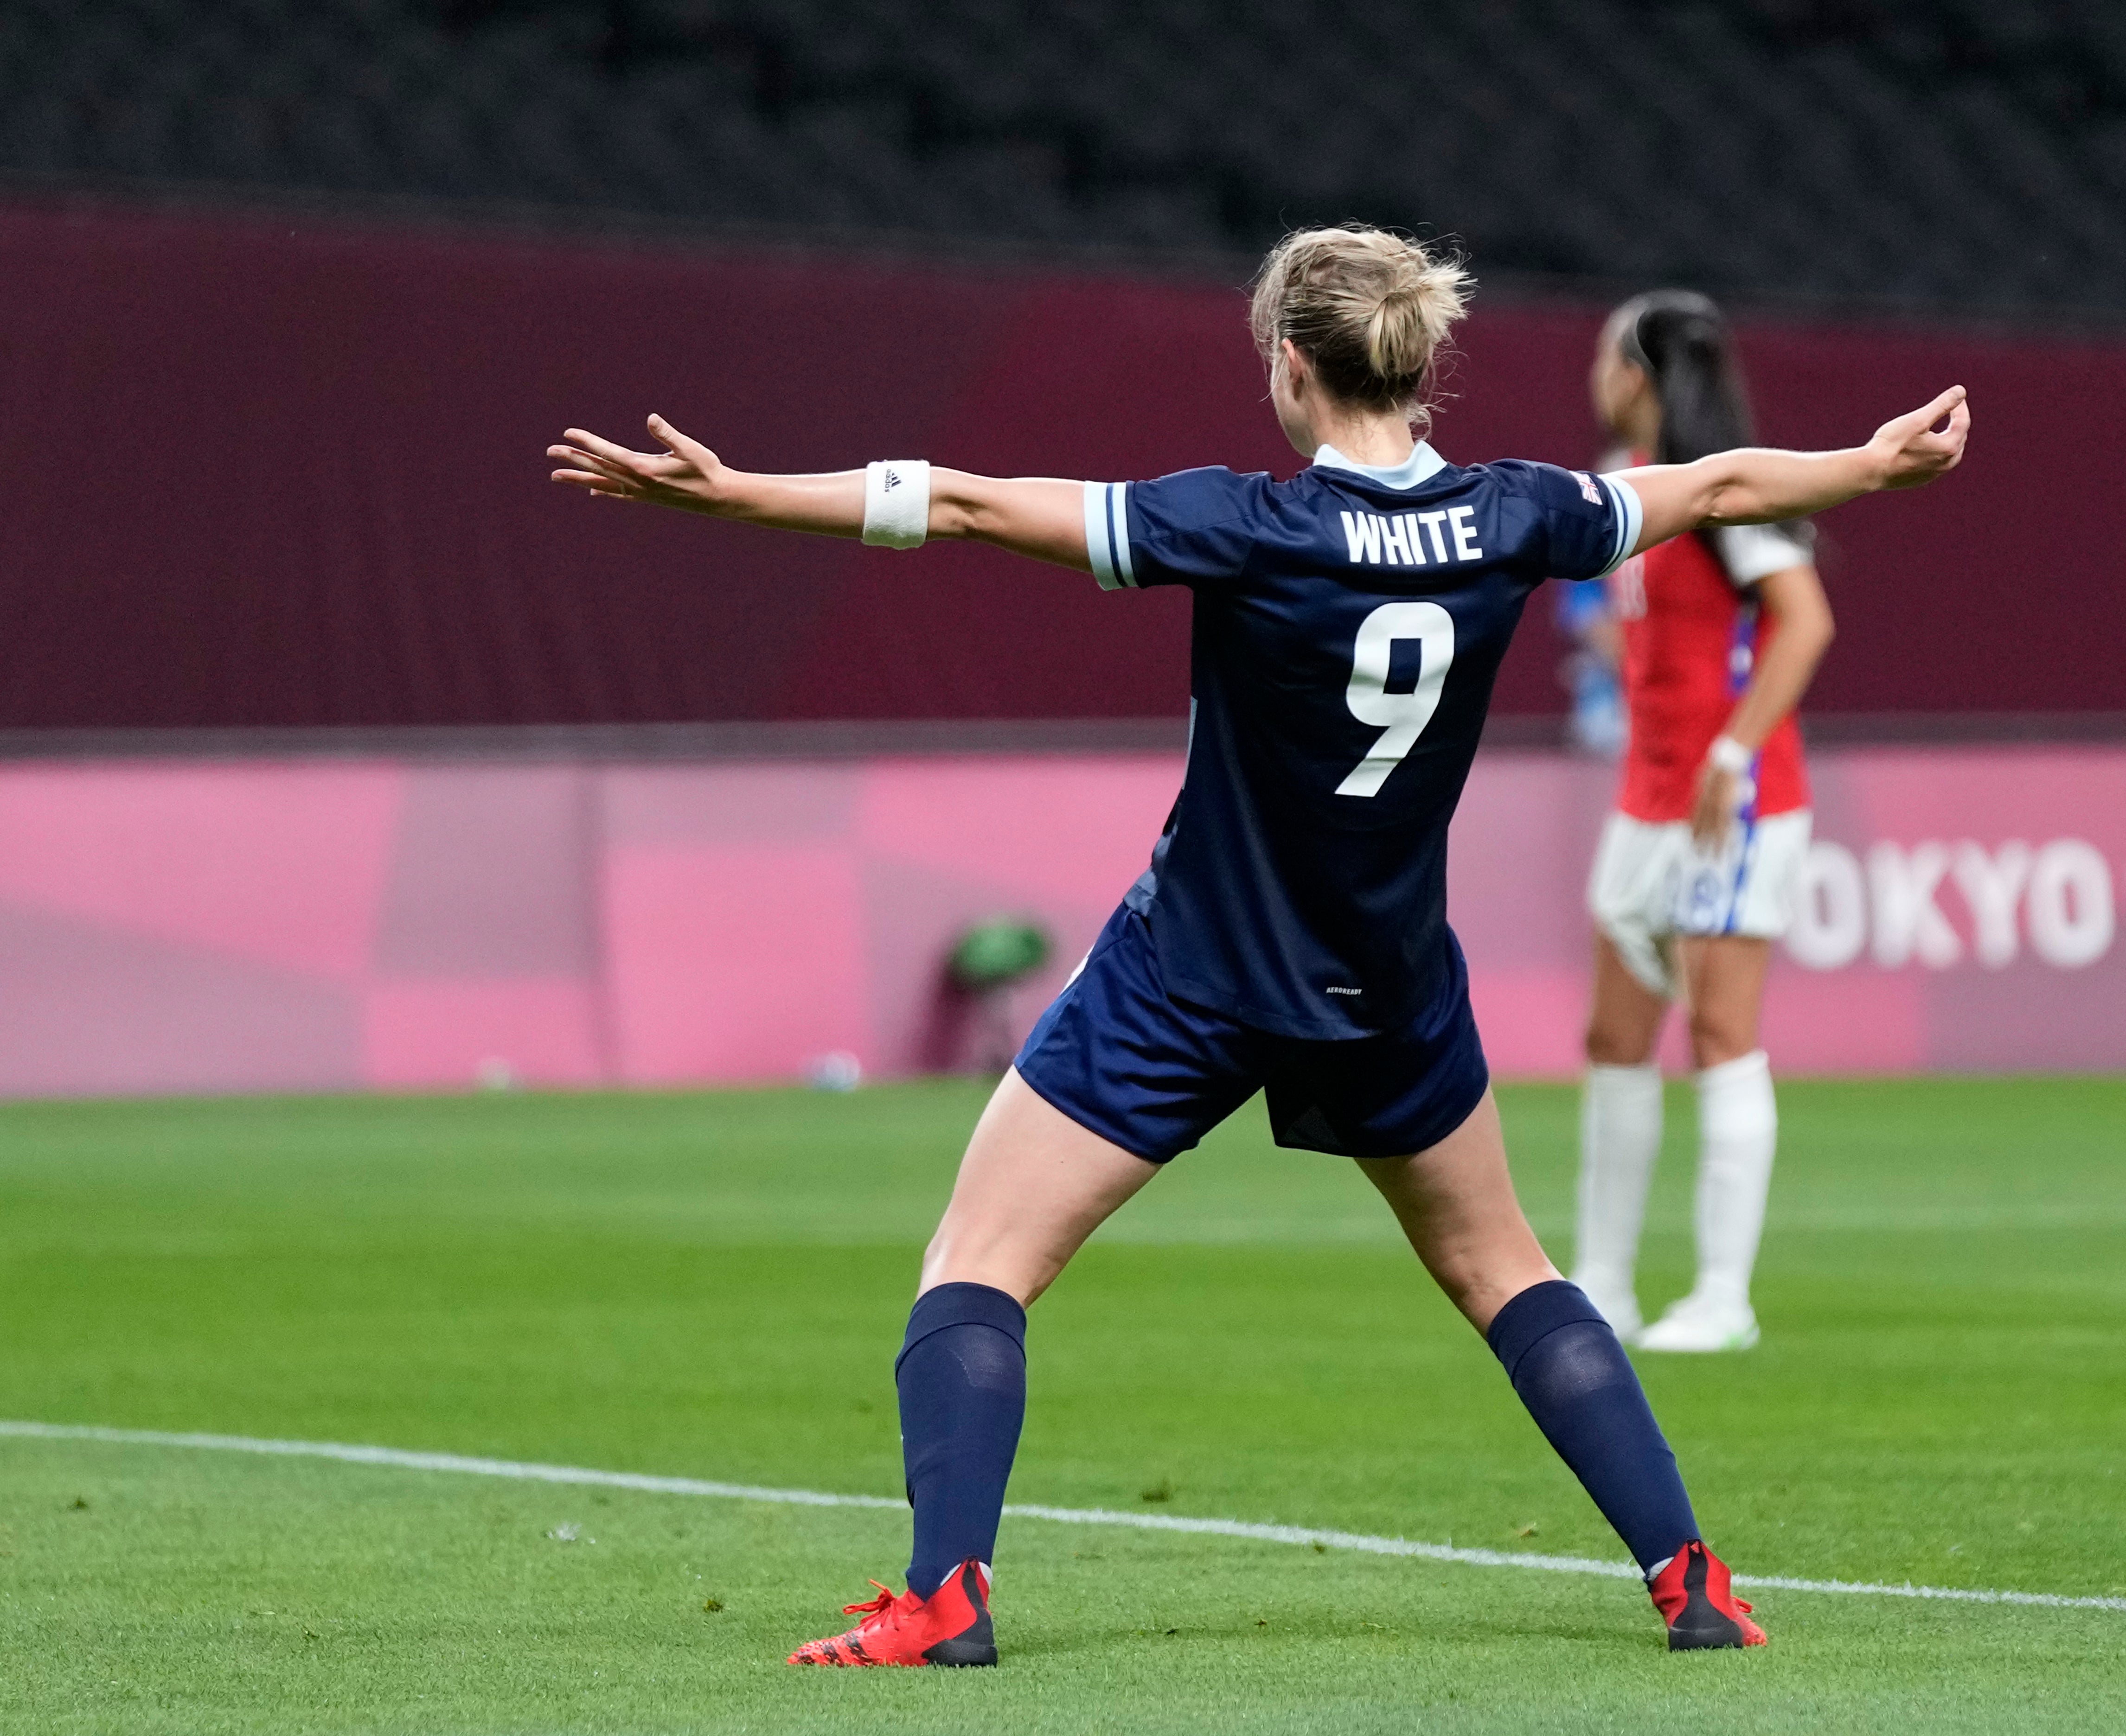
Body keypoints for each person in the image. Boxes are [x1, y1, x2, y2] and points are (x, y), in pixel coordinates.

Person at [546, 226, 1967, 1666]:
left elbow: (967, 505)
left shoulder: (1245, 525)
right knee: (1503, 1268)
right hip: (1390, 985)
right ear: (1417, 367)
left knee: (979, 1259)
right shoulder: (1515, 518)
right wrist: (1877, 463)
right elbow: (1722, 482)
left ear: (1293, 370)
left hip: (1200, 971)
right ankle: (1692, 1581)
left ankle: (943, 1597)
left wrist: (736, 497)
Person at [1569, 293, 1835, 1354]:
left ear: (1638, 375)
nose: (1594, 371)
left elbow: (1806, 622)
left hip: (1736, 800)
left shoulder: (1734, 486)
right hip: (1646, 797)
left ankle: (1725, 1297)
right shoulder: (1629, 491)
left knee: (1722, 1037)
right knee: (1613, 1038)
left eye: (1605, 354)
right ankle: (1601, 1283)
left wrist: (1731, 749)